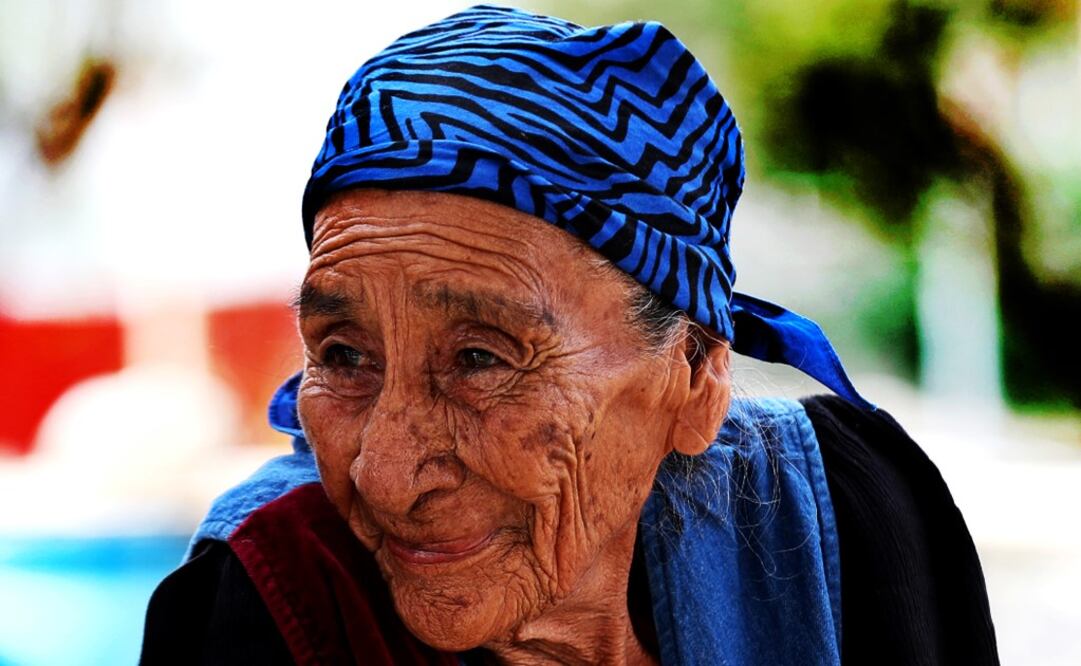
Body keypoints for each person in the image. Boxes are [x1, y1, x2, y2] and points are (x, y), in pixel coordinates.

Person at [140, 6, 998, 665]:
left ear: (696, 374)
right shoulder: (267, 596)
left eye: (479, 359)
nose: (383, 475)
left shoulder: (851, 514)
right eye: (344, 357)